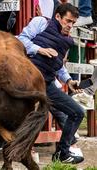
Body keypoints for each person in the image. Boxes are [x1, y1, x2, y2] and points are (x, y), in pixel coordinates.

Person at [17, 3, 85, 164]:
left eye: (73, 23)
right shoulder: (41, 22)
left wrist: (68, 80)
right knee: (15, 118)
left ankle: (62, 152)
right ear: (57, 17)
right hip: (26, 78)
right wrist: (39, 49)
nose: (70, 26)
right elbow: (20, 40)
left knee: (77, 112)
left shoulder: (66, 40)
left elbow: (58, 63)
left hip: (47, 84)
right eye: (68, 21)